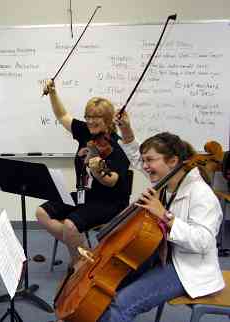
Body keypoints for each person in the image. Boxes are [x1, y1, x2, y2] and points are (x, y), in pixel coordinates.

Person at [96, 112, 225, 322]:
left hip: (187, 268)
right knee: (106, 288)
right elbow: (136, 157)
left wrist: (165, 216)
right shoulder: (167, 179)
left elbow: (203, 242)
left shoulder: (201, 194)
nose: (145, 165)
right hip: (160, 256)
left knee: (121, 304)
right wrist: (126, 130)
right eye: (145, 160)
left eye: (150, 160)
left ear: (173, 161)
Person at [36, 80, 130, 265]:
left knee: (70, 226)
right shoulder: (85, 131)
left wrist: (97, 172)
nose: (90, 121)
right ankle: (86, 255)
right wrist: (53, 93)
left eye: (97, 117)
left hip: (109, 201)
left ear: (109, 119)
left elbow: (111, 181)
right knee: (42, 213)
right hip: (83, 195)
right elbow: (62, 114)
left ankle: (79, 265)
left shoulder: (117, 147)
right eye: (88, 116)